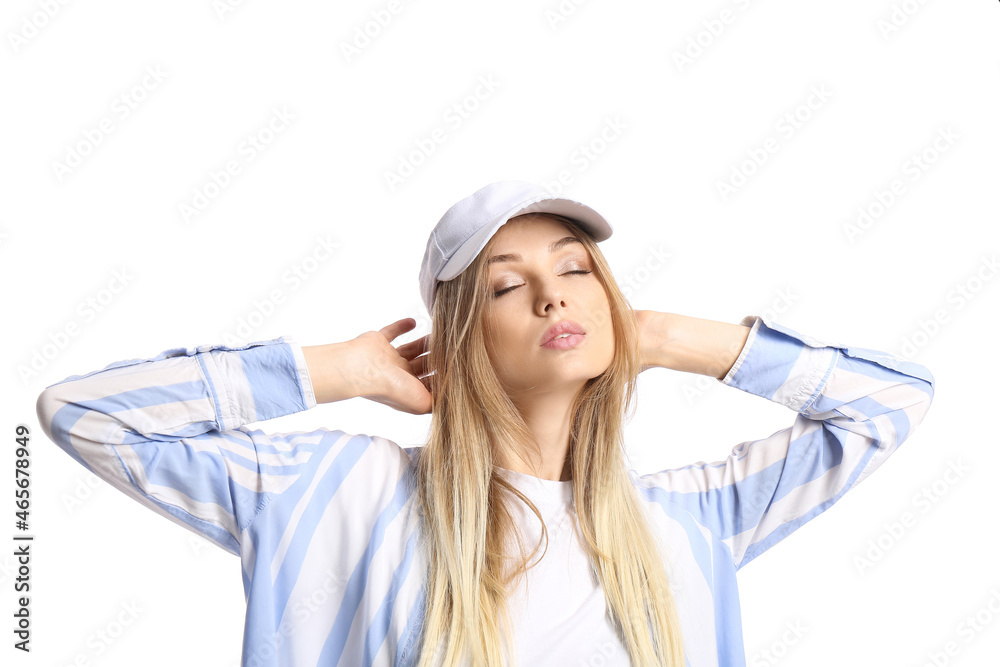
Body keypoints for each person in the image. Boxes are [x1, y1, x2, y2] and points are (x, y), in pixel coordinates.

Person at [36, 180, 935, 667]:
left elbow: (889, 404)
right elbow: (86, 415)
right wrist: (333, 370)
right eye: (507, 284)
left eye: (577, 269)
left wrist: (668, 337)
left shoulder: (691, 522)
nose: (552, 293)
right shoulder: (335, 491)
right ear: (465, 337)